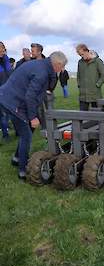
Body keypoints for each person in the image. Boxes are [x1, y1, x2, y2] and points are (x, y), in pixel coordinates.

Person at [0, 51, 68, 179]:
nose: (62, 69)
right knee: (26, 135)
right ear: (57, 64)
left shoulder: (41, 65)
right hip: (13, 102)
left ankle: (16, 158)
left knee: (28, 129)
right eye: (62, 66)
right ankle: (23, 170)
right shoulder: (42, 73)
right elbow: (30, 96)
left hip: (9, 98)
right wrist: (32, 117)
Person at [76, 44, 104, 111]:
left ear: (87, 51)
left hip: (95, 93)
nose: (82, 56)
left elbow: (103, 75)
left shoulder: (98, 61)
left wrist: (97, 85)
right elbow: (78, 75)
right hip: (83, 94)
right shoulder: (80, 62)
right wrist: (79, 84)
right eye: (80, 55)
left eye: (82, 54)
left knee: (99, 114)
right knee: (82, 114)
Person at [0, 42, 11, 141]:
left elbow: (9, 73)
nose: (3, 49)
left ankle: (17, 131)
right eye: (1, 47)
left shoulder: (6, 58)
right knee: (3, 114)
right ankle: (5, 134)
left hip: (9, 90)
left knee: (12, 111)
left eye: (3, 47)